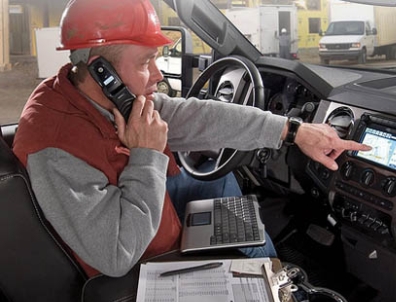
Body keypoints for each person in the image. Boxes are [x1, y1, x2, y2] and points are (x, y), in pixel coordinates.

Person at [12, 0, 370, 278]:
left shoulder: (97, 97)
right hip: (144, 264)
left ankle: (265, 268)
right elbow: (115, 257)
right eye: (145, 62)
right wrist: (148, 154)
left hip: (142, 209)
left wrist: (293, 131)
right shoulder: (55, 147)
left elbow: (195, 116)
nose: (157, 76)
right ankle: (273, 295)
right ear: (100, 71)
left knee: (217, 178)